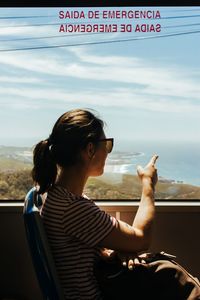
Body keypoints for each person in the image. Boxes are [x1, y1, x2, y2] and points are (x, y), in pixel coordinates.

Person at [31, 108, 200, 300]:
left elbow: (79, 248)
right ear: (90, 150)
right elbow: (141, 239)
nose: (108, 152)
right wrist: (148, 185)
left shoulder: (54, 196)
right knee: (172, 278)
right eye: (107, 145)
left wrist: (115, 250)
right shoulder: (73, 208)